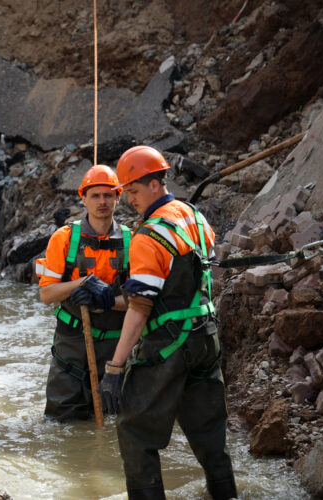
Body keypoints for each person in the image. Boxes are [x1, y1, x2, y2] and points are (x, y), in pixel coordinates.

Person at [99, 146, 237, 499]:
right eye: (126, 193)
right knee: (209, 433)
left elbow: (140, 307)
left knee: (134, 430)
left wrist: (115, 368)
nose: (129, 200)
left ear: (155, 184)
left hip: (168, 345)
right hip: (206, 338)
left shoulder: (147, 238)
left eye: (133, 191)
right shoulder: (194, 216)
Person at [34, 164, 131, 421]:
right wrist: (82, 284)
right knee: (61, 422)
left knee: (116, 423)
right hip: (72, 347)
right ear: (83, 198)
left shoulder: (133, 242)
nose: (102, 201)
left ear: (118, 196)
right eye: (95, 195)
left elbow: (141, 302)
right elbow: (47, 294)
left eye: (108, 195)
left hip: (116, 349)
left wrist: (105, 302)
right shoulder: (64, 239)